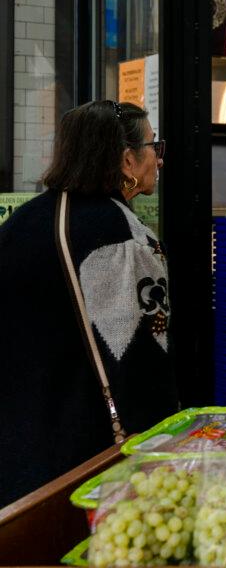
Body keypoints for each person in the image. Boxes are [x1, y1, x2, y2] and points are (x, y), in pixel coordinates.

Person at [0, 101, 177, 507]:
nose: (159, 159)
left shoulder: (23, 223)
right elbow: (141, 355)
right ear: (127, 159)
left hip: (18, 455)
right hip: (86, 460)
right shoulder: (123, 237)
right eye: (155, 146)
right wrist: (164, 445)